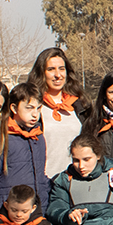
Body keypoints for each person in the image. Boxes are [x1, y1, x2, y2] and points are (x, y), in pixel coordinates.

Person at [0, 83, 50, 208]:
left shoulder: (38, 136)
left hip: (35, 209)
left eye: (38, 108)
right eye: (29, 108)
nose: (35, 114)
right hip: (10, 209)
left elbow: (41, 174)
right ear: (14, 108)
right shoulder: (3, 136)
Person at [26, 48, 87, 176]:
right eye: (51, 69)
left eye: (61, 68)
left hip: (74, 181)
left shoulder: (80, 105)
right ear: (41, 73)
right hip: (44, 182)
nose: (58, 75)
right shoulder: (33, 107)